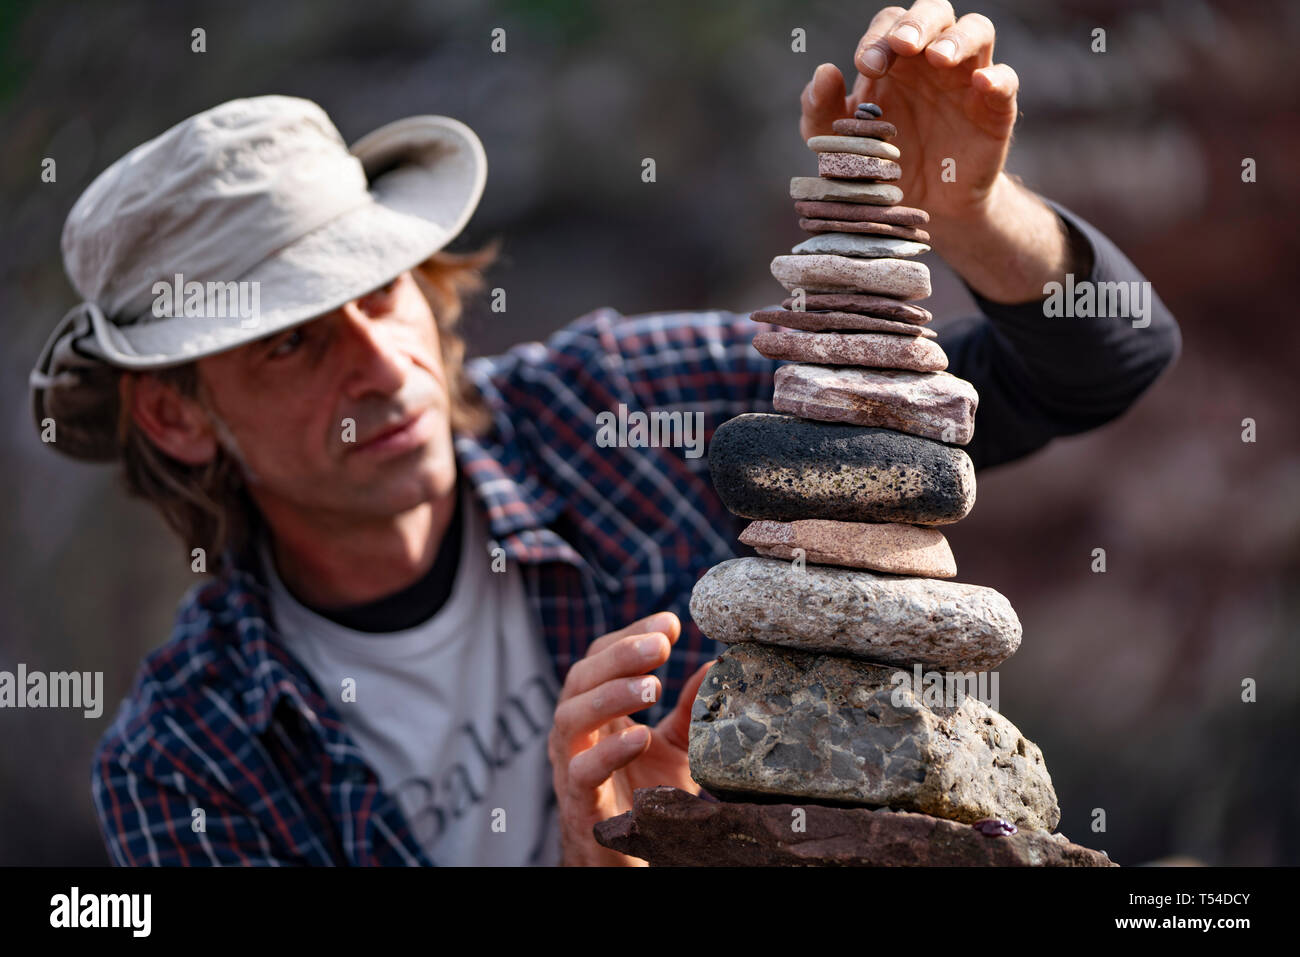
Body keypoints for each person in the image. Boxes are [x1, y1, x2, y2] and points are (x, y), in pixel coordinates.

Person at [29, 2, 1180, 866]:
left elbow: (1103, 362)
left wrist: (970, 212)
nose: (380, 364)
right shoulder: (186, 754)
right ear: (177, 415)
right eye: (290, 343)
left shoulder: (622, 411)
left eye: (378, 294)